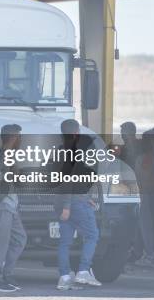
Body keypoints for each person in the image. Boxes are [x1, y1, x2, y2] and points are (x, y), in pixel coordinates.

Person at [56, 119, 102, 290]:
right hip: (74, 204)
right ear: (75, 133)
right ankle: (83, 271)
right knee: (92, 235)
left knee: (65, 242)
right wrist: (69, 205)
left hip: (63, 203)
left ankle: (64, 277)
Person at [0, 124, 27, 292]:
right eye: (19, 137)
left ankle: (6, 274)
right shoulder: (1, 156)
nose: (21, 140)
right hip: (2, 206)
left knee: (20, 239)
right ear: (13, 138)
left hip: (11, 207)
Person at [134, 126, 154, 268]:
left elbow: (141, 178)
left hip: (147, 194)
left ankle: (151, 254)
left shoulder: (146, 158)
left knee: (147, 225)